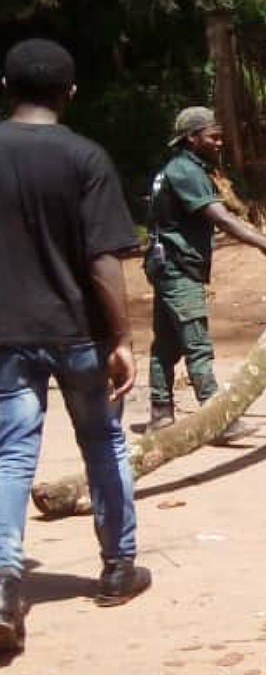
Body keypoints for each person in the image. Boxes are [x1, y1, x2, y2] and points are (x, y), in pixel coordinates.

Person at [0, 38, 151, 654]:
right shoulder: (86, 157)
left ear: (6, 88)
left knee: (11, 455)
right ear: (70, 93)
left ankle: (4, 586)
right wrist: (123, 338)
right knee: (104, 443)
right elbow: (103, 259)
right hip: (82, 335)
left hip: (7, 336)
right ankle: (117, 569)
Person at [145, 106, 266, 440]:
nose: (220, 142)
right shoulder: (185, 171)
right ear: (192, 138)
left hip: (167, 265)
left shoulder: (180, 168)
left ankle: (160, 415)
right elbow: (222, 219)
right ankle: (217, 419)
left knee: (167, 344)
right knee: (197, 344)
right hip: (178, 268)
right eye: (213, 136)